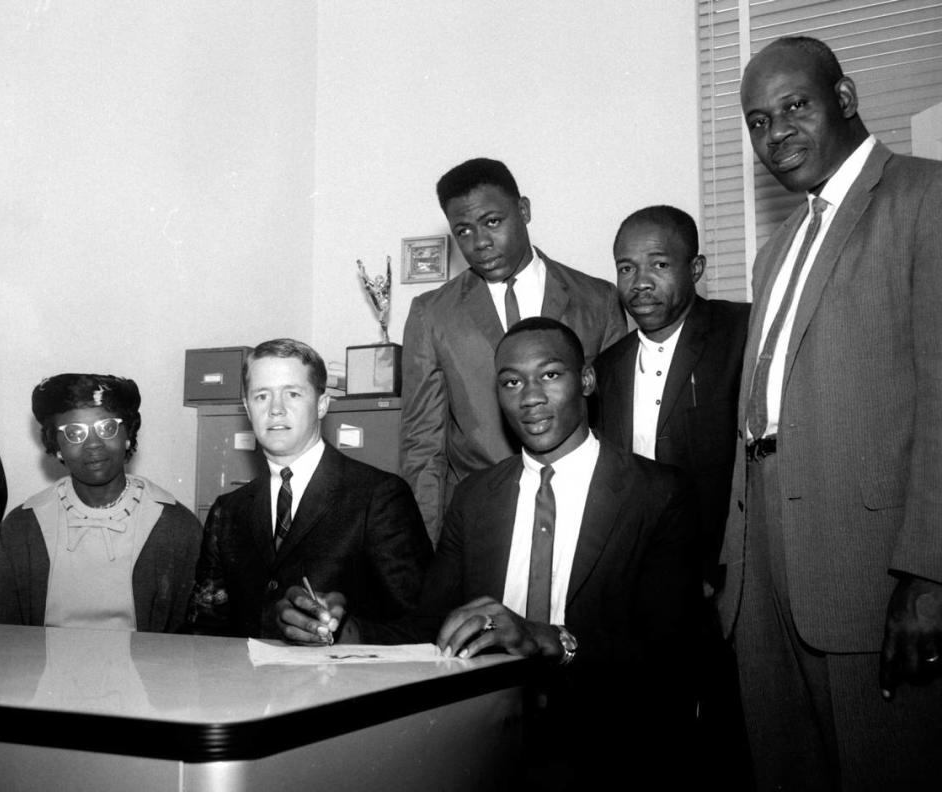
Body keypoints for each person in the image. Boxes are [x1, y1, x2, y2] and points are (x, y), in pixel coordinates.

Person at [279, 318, 698, 786]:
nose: (530, 397)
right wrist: (343, 630)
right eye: (512, 382)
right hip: (485, 745)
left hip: (610, 747)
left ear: (586, 380)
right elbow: (428, 626)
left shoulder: (657, 493)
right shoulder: (476, 498)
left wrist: (548, 638)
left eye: (551, 375)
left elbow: (669, 652)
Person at [718, 35, 942, 790]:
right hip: (765, 568)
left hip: (872, 566)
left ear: (844, 100)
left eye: (794, 107)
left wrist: (929, 574)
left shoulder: (925, 197)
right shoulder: (776, 249)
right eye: (757, 121)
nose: (776, 134)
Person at [594, 205, 751, 788]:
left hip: (729, 583)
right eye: (626, 267)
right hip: (638, 590)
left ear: (697, 268)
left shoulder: (742, 332)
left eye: (658, 264)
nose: (640, 283)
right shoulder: (607, 367)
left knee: (735, 743)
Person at [400, 157, 626, 545]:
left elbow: (617, 427)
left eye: (492, 222)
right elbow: (423, 447)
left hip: (585, 519)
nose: (479, 243)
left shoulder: (598, 300)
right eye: (463, 231)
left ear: (523, 210)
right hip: (479, 523)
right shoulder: (431, 314)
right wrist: (425, 552)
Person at [189, 338, 432, 639]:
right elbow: (203, 630)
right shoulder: (228, 511)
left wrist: (343, 633)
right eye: (262, 396)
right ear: (247, 410)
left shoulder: (378, 497)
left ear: (321, 405)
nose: (276, 410)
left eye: (292, 394)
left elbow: (423, 624)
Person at [0, 374, 202, 632]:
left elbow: (191, 649)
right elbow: (4, 645)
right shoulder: (21, 529)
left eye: (107, 428)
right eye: (75, 433)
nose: (93, 445)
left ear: (128, 435)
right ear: (56, 446)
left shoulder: (176, 527)